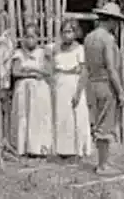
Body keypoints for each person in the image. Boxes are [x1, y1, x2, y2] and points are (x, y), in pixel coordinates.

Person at [83, 2, 124, 175]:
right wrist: (120, 91)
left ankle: (104, 161)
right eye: (115, 22)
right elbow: (110, 67)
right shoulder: (107, 39)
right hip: (106, 84)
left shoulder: (89, 38)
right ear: (110, 20)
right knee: (105, 126)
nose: (116, 25)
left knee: (99, 122)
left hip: (93, 84)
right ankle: (102, 165)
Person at [10, 21, 53, 157]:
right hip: (23, 89)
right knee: (23, 117)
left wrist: (32, 69)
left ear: (37, 38)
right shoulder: (18, 54)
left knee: (39, 117)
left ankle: (39, 148)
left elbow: (48, 71)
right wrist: (33, 73)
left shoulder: (43, 53)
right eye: (27, 36)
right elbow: (15, 72)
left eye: (32, 36)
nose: (30, 40)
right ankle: (23, 148)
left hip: (39, 90)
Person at [50, 19, 92, 159]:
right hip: (60, 85)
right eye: (64, 32)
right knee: (62, 117)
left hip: (73, 85)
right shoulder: (56, 49)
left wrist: (78, 92)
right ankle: (63, 149)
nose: (66, 35)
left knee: (77, 116)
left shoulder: (79, 49)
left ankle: (78, 149)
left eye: (69, 31)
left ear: (75, 33)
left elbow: (84, 71)